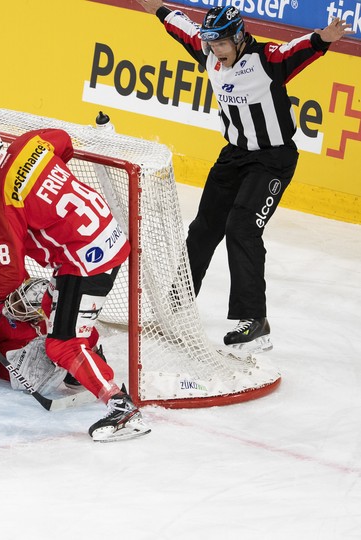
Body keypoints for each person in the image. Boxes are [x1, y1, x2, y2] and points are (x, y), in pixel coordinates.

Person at [134, 2, 352, 352]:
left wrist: (323, 39)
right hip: (233, 156)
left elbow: (299, 48)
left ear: (238, 38)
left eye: (221, 44)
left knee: (242, 228)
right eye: (211, 43)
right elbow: (176, 22)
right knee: (203, 228)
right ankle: (176, 305)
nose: (215, 51)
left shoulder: (267, 60)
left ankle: (255, 321)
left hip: (272, 160)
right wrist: (154, 5)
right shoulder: (207, 51)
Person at [0, 120, 151, 442]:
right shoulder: (28, 143)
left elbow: (11, 272)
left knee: (62, 343)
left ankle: (121, 407)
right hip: (106, 234)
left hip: (84, 259)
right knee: (51, 305)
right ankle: (89, 366)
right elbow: (63, 142)